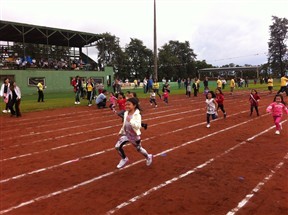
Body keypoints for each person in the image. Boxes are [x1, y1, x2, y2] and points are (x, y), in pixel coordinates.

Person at [115, 97, 153, 169]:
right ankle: (124, 158)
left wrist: (131, 121)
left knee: (139, 149)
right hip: (126, 134)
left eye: (129, 104)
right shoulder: (126, 113)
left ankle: (148, 157)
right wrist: (121, 132)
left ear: (134, 105)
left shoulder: (137, 115)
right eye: (126, 105)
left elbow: (138, 126)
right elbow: (124, 124)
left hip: (134, 137)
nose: (126, 106)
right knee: (117, 146)